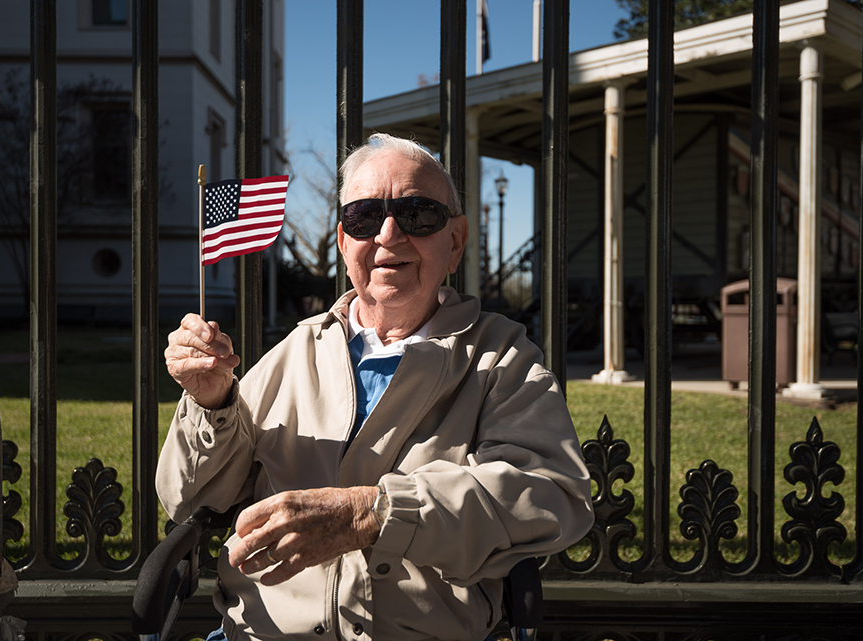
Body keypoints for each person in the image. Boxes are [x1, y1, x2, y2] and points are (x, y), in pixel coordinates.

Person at [157, 133, 594, 641]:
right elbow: (192, 500)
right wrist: (212, 404)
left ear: (454, 241)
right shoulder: (291, 356)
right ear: (345, 243)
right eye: (364, 216)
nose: (388, 234)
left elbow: (551, 495)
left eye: (418, 214)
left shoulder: (502, 360)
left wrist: (376, 512)